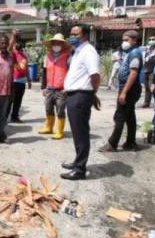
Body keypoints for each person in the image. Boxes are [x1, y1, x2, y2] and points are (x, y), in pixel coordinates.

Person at [61, 25, 101, 180]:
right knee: (77, 133)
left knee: (81, 133)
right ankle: (77, 162)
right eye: (71, 34)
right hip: (75, 94)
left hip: (80, 96)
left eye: (75, 34)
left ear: (85, 35)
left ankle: (79, 170)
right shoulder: (79, 51)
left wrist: (92, 93)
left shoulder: (89, 52)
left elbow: (95, 76)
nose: (72, 36)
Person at [99, 30, 143, 152]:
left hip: (129, 89)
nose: (123, 43)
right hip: (128, 88)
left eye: (126, 40)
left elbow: (133, 74)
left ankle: (112, 144)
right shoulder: (131, 53)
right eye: (123, 40)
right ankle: (130, 142)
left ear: (134, 40)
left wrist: (124, 92)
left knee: (120, 116)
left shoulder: (135, 54)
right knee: (129, 116)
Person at [38, 33, 71, 140]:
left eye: (59, 43)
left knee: (60, 110)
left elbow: (72, 73)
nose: (56, 44)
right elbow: (44, 71)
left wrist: (68, 88)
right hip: (49, 88)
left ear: (62, 44)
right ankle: (49, 127)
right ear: (52, 44)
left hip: (61, 89)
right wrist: (43, 87)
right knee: (48, 108)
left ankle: (59, 131)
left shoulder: (68, 56)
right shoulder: (47, 56)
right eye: (54, 43)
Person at [7, 40, 32, 122]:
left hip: (22, 82)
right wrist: (13, 37)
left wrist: (29, 80)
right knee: (10, 100)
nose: (17, 45)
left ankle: (14, 117)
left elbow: (27, 69)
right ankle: (4, 116)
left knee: (18, 101)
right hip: (13, 81)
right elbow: (9, 48)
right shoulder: (13, 53)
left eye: (18, 43)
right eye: (16, 43)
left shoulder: (24, 56)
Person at [142, 35, 155, 107]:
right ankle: (146, 103)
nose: (151, 41)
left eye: (153, 39)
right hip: (146, 70)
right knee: (147, 88)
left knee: (152, 88)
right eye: (150, 39)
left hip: (153, 71)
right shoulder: (148, 51)